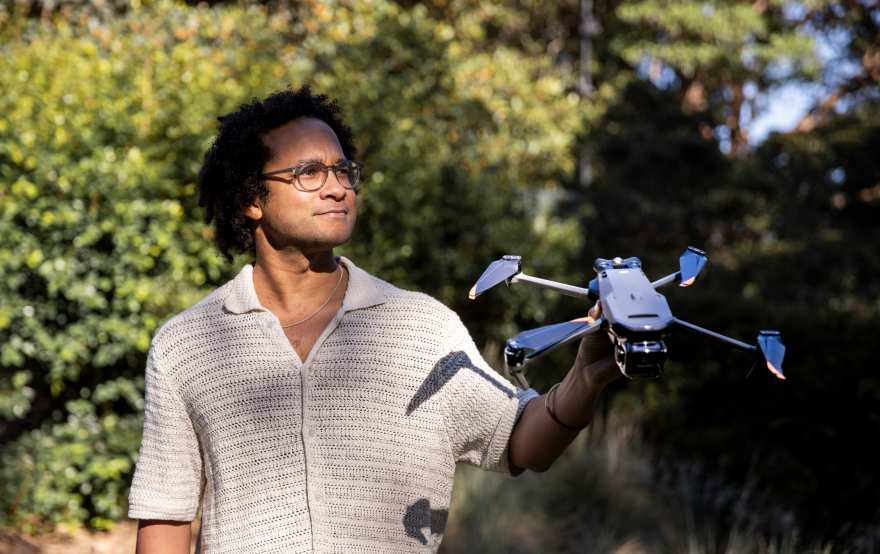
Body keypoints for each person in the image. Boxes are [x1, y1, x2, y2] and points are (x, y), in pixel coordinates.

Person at [128, 86, 621, 553]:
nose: (337, 189)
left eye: (344, 172)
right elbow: (165, 518)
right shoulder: (187, 344)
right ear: (251, 200)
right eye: (308, 173)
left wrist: (587, 375)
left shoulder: (419, 327)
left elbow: (521, 441)